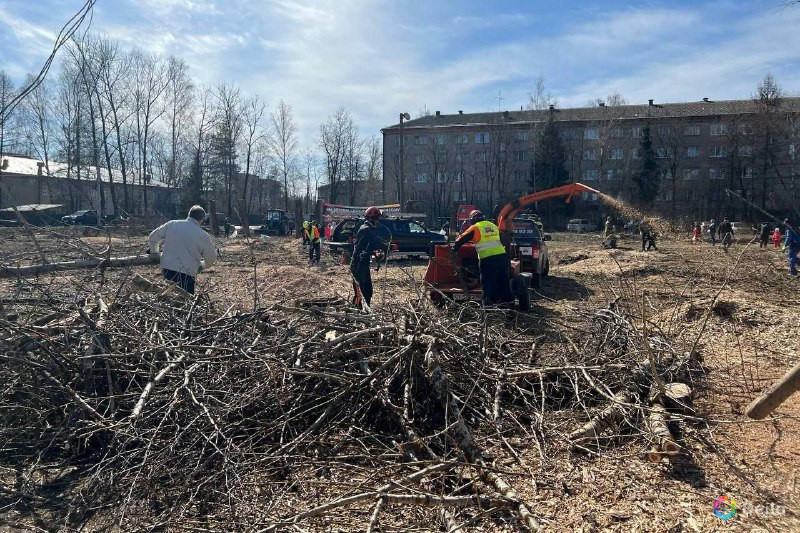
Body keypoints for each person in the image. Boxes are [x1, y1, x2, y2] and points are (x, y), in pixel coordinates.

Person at [148, 205, 217, 294]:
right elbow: (211, 258)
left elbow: (152, 237)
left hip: (168, 270)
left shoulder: (172, 224)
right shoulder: (203, 235)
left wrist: (155, 254)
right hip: (188, 274)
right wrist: (202, 266)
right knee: (186, 303)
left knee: (168, 299)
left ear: (189, 215)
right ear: (202, 220)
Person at [453, 210, 514, 306]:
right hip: (502, 259)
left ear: (472, 219)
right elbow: (504, 240)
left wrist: (453, 250)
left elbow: (461, 239)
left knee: (488, 285)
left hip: (488, 260)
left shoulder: (475, 228)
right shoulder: (493, 226)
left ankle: (487, 311)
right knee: (504, 284)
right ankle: (510, 309)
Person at [351, 207, 388, 307]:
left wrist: (375, 253)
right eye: (377, 219)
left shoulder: (369, 229)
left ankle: (365, 311)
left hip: (364, 264)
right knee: (360, 293)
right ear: (373, 219)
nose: (378, 222)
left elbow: (368, 246)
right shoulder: (365, 229)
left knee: (368, 291)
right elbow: (359, 249)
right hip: (358, 265)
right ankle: (355, 314)